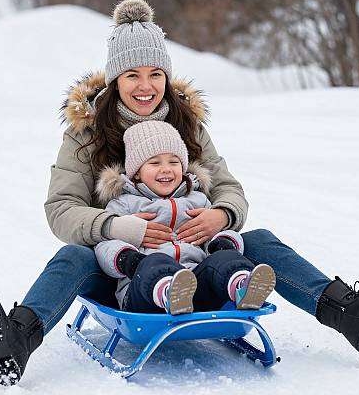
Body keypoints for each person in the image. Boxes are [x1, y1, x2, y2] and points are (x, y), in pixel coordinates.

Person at [0, 0, 359, 387]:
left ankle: (347, 313)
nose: (145, 86)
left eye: (155, 73)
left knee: (259, 241)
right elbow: (61, 210)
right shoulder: (86, 135)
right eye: (133, 74)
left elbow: (230, 189)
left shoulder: (187, 126)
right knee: (73, 258)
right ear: (115, 79)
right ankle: (18, 339)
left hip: (201, 262)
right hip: (125, 269)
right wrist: (115, 226)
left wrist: (223, 215)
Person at [94, 120, 276, 315]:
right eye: (155, 163)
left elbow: (222, 233)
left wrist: (222, 242)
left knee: (224, 259)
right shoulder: (124, 204)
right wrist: (128, 259)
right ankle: (167, 292)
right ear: (136, 173)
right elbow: (104, 245)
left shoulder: (198, 200)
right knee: (155, 262)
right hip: (144, 293)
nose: (166, 169)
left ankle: (242, 285)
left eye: (174, 162)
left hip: (197, 288)